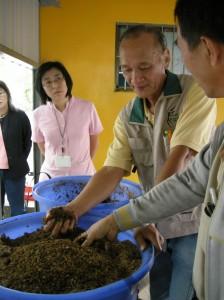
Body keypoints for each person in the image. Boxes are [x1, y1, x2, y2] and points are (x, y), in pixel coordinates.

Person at [52, 1, 224, 299]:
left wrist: (137, 218)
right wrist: (73, 209)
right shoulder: (128, 114)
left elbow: (180, 162)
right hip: (149, 221)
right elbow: (112, 169)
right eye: (127, 70)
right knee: (157, 290)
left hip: (188, 224)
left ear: (166, 57)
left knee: (183, 291)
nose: (135, 78)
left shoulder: (194, 93)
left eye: (144, 67)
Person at [32, 61, 103, 181]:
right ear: (42, 88)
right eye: (48, 82)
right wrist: (56, 163)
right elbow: (41, 144)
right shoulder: (38, 114)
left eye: (58, 78)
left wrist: (81, 163)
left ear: (66, 80)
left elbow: (94, 140)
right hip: (51, 178)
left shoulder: (87, 108)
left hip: (83, 175)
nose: (55, 85)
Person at [0, 81, 31, 217]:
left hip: (15, 171)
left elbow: (27, 142)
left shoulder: (20, 116)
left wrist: (19, 160)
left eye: (0, 93)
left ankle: (18, 237)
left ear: (7, 94)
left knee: (18, 210)